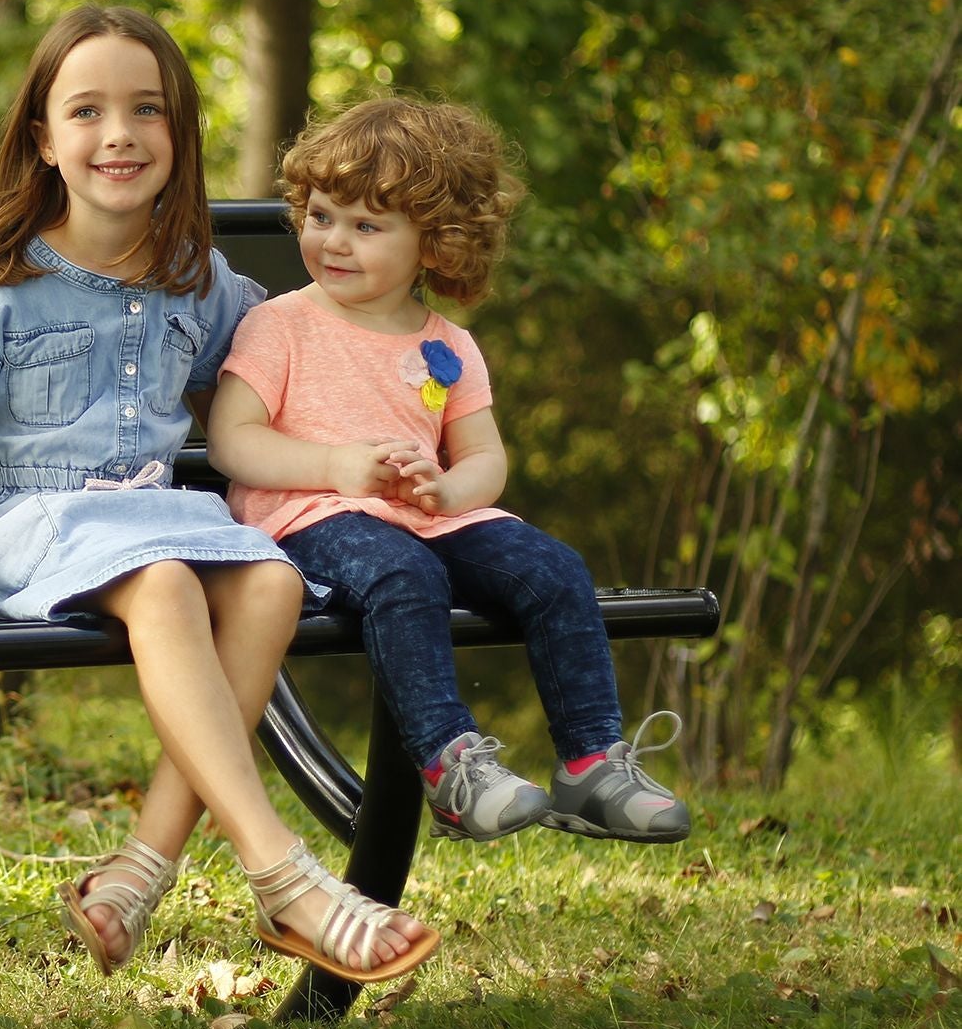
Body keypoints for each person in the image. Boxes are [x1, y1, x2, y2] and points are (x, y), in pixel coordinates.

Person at [0, 4, 438, 986]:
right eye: (88, 110)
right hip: (30, 517)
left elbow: (292, 369)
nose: (119, 134)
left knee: (269, 583)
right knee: (167, 586)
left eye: (147, 110)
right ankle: (285, 877)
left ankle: (139, 869)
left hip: (150, 515)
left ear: (178, 136)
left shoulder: (199, 281)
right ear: (43, 140)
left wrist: (402, 378)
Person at [210, 94, 689, 847]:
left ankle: (591, 763)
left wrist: (446, 489)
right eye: (322, 215)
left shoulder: (449, 345)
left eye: (366, 226)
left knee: (554, 568)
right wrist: (337, 465)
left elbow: (484, 460)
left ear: (436, 243)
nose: (334, 240)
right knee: (406, 576)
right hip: (310, 515)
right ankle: (451, 768)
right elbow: (233, 440)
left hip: (427, 514)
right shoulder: (282, 324)